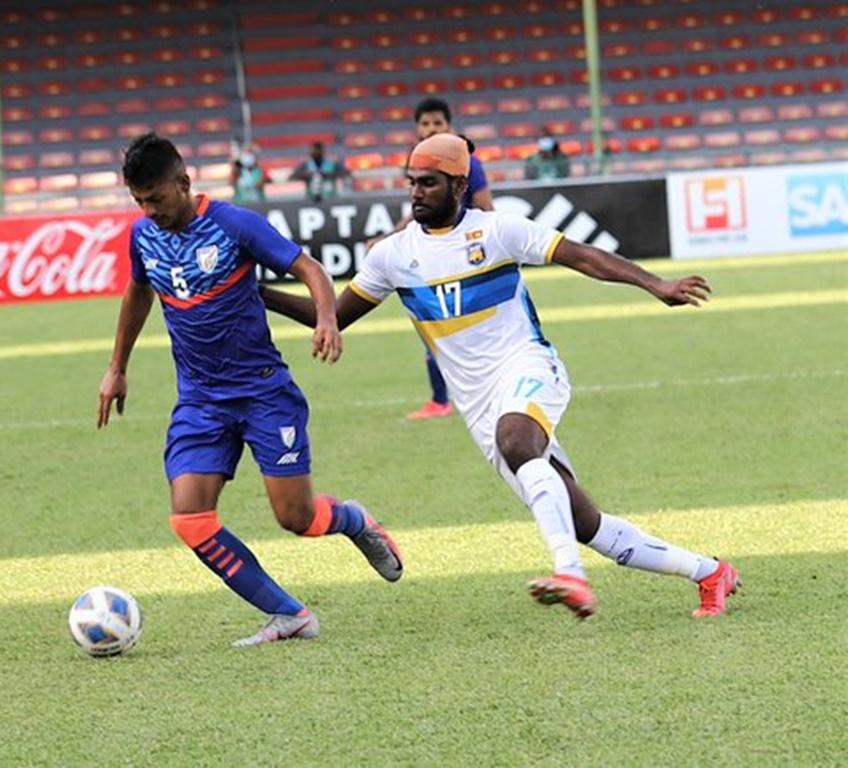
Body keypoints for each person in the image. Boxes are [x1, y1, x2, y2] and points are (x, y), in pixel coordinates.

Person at [260, 134, 739, 620]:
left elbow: (582, 255)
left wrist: (655, 284)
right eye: (411, 183)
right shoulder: (392, 256)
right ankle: (709, 573)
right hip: (478, 405)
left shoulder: (498, 231)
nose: (416, 193)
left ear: (460, 185)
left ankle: (570, 575)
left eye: (429, 183)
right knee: (586, 523)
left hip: (529, 367)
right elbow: (331, 315)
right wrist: (259, 291)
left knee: (516, 440)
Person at [97, 133, 403, 647]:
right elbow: (138, 291)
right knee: (190, 517)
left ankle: (354, 520)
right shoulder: (142, 237)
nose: (150, 210)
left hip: (263, 392)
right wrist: (117, 367)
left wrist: (327, 318)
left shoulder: (235, 224)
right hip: (199, 400)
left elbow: (310, 269)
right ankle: (290, 615)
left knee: (296, 518)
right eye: (139, 201)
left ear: (184, 182)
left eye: (157, 198)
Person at [401, 98, 495, 421]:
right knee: (434, 326)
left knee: (463, 326)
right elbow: (416, 215)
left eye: (437, 123)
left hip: (465, 257)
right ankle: (442, 399)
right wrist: (389, 237)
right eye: (425, 124)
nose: (430, 129)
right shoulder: (418, 163)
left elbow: (485, 208)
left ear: (449, 126)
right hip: (432, 259)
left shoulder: (468, 163)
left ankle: (449, 398)